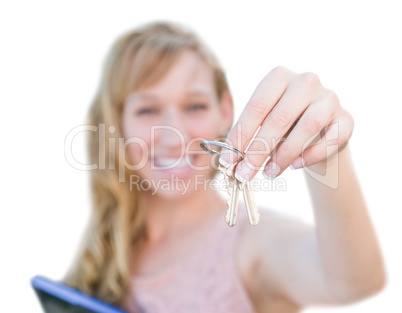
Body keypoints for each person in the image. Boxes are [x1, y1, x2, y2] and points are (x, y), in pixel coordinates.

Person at [63, 21, 386, 313]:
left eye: (195, 105)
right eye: (148, 109)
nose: (174, 135)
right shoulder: (105, 243)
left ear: (225, 111)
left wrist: (326, 151)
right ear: (117, 123)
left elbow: (353, 282)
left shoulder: (254, 245)